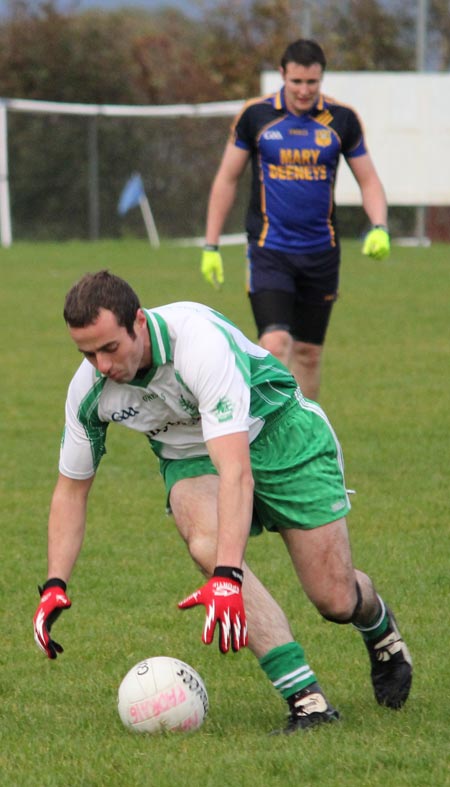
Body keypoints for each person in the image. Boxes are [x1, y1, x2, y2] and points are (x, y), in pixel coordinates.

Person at [33, 270, 411, 734]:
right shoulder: (90, 390)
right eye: (87, 353)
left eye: (110, 348)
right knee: (207, 546)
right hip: (189, 457)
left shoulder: (198, 343)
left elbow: (236, 472)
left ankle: (379, 629)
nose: (102, 365)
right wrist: (54, 582)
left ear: (137, 322)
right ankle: (307, 700)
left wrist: (229, 578)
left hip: (280, 433)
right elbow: (71, 489)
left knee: (334, 599)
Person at [201, 38, 390, 401]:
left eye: (312, 83)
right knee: (274, 346)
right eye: (297, 82)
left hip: (321, 253)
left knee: (308, 353)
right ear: (282, 75)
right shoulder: (256, 116)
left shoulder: (342, 120)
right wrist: (210, 245)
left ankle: (306, 441)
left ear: (321, 79)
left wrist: (380, 225)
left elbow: (369, 180)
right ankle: (272, 438)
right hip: (269, 250)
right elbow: (227, 179)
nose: (304, 91)